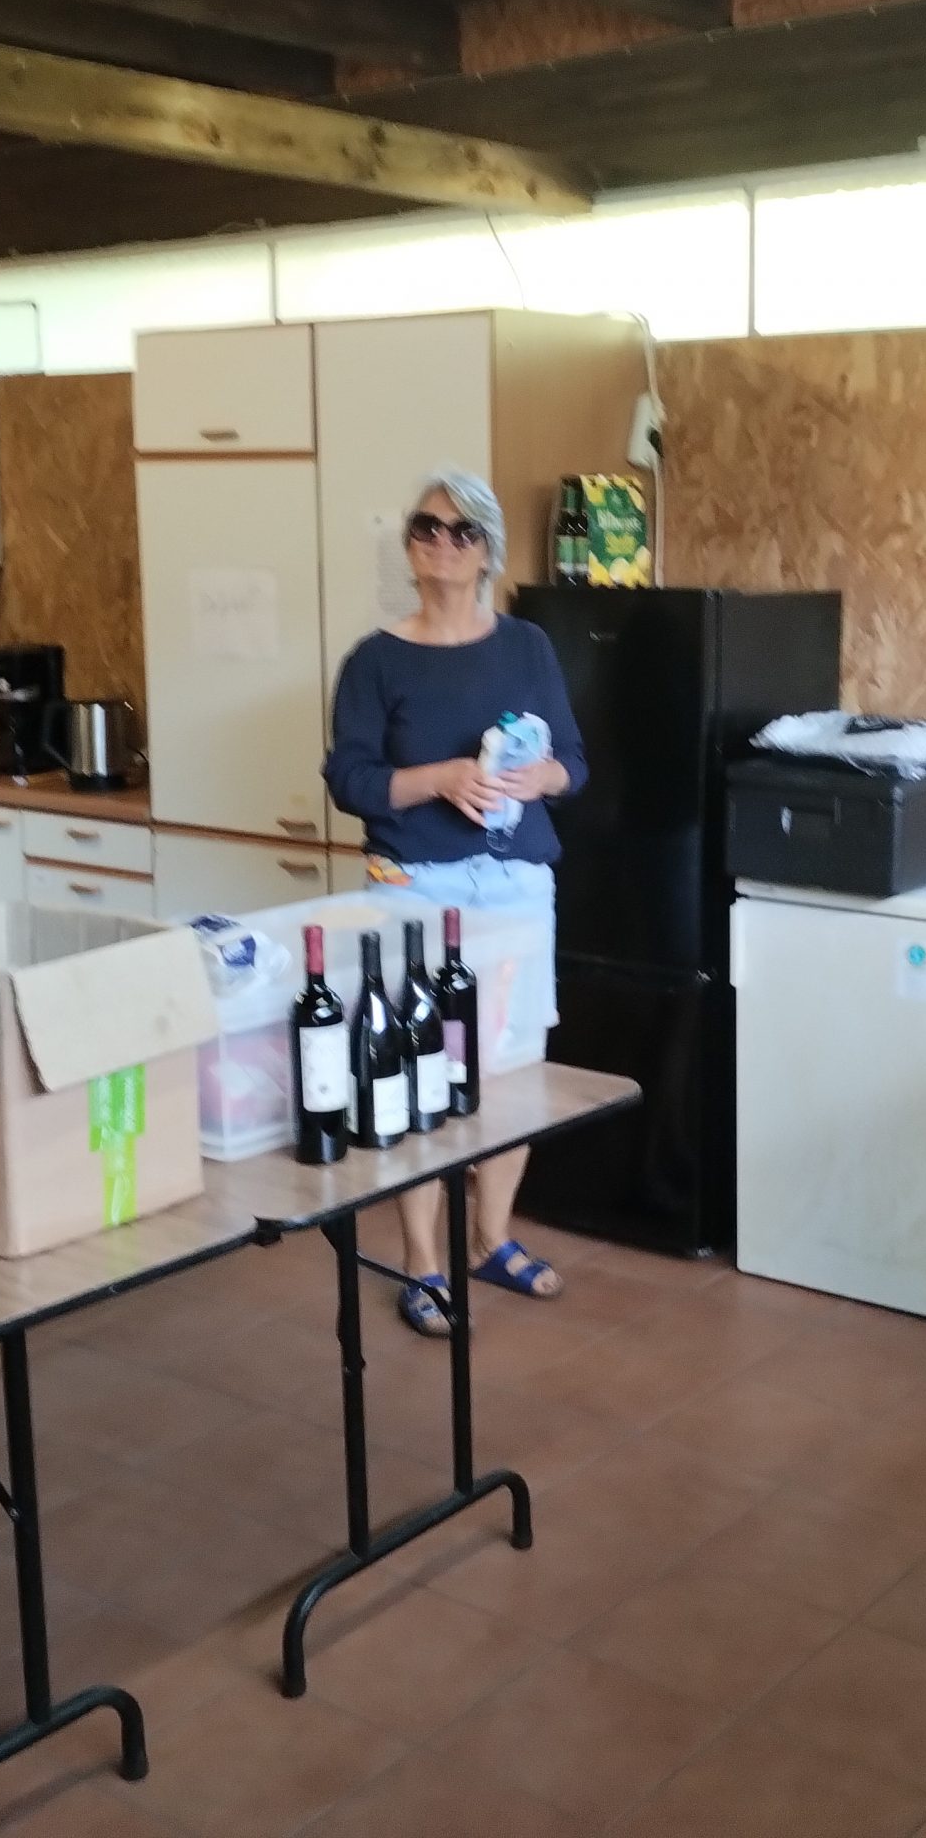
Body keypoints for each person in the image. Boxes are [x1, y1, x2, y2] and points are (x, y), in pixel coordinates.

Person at [323, 468, 586, 1336]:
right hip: (416, 884)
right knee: (417, 1072)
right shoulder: (375, 660)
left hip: (516, 884)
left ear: (487, 551)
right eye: (426, 527)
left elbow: (573, 763)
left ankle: (491, 1238)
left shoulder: (528, 648)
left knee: (512, 1070)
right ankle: (422, 1263)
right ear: (409, 546)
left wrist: (539, 776)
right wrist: (441, 778)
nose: (441, 542)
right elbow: (351, 781)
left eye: (461, 530)